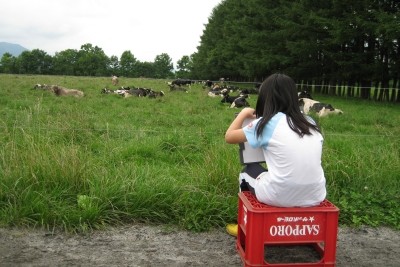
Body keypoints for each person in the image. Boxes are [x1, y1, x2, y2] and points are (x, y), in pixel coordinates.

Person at [224, 73, 327, 236]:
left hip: (278, 195)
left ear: (266, 98)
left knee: (247, 171)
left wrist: (243, 113)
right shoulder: (311, 122)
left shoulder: (266, 123)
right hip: (316, 194)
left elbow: (229, 137)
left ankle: (244, 226)